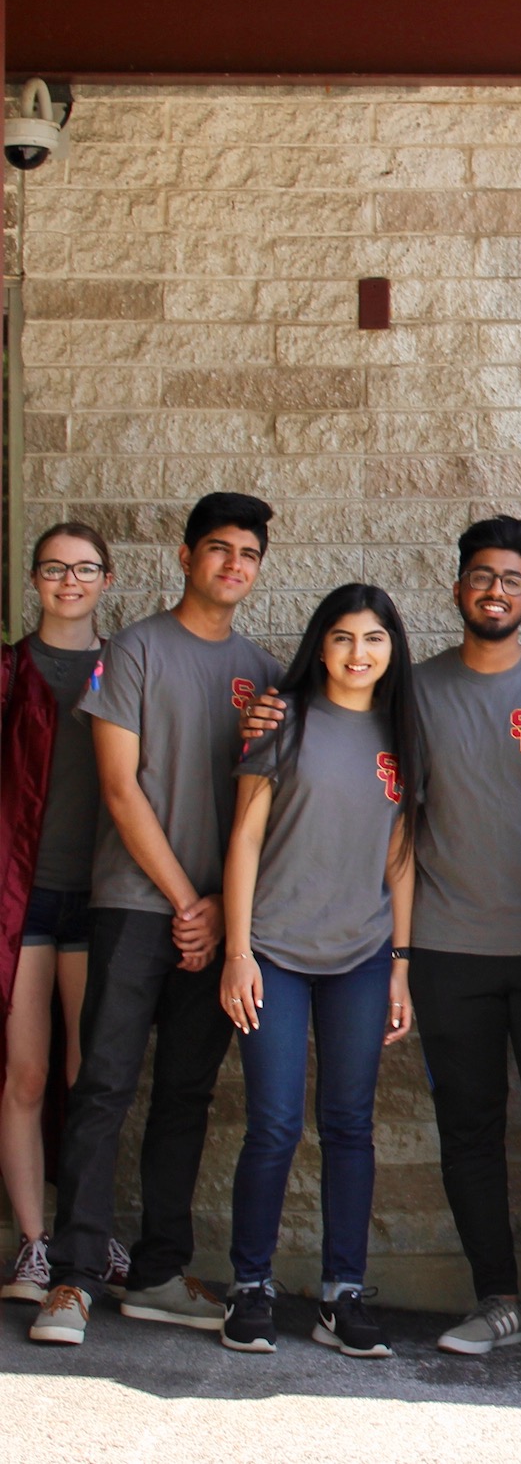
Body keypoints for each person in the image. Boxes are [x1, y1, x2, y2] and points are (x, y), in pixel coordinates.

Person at [239, 519, 521, 1363]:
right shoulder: (408, 693)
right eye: (481, 575)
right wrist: (273, 705)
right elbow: (333, 728)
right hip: (448, 952)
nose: (496, 590)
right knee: (469, 1128)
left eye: (513, 578)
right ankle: (496, 1298)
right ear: (456, 588)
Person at [32, 492, 280, 1348]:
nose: (233, 565)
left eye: (248, 553)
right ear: (185, 557)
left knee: (185, 1093)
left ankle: (159, 1271)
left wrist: (220, 911)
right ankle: (69, 1279)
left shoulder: (265, 668)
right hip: (137, 908)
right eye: (218, 549)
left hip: (219, 920)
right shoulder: (132, 649)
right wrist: (187, 902)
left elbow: (265, 808)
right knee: (101, 1085)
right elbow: (118, 787)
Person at [215, 585, 422, 1359]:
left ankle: (342, 1294)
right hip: (273, 950)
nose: (358, 652)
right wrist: (237, 950)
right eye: (341, 637)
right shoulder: (282, 719)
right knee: (271, 1124)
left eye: (373, 638)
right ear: (320, 645)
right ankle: (251, 1287)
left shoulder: (402, 731)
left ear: (391, 648)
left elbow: (402, 856)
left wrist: (400, 963)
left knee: (348, 1125)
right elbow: (242, 838)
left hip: (362, 956)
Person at [1, 525, 117, 1305]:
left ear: (105, 578)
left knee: (93, 1076)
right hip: (23, 894)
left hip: (103, 895)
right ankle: (35, 1243)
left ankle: (85, 1231)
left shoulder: (126, 665)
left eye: (83, 569)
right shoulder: (10, 672)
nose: (68, 581)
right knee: (29, 1072)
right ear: (34, 578)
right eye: (54, 568)